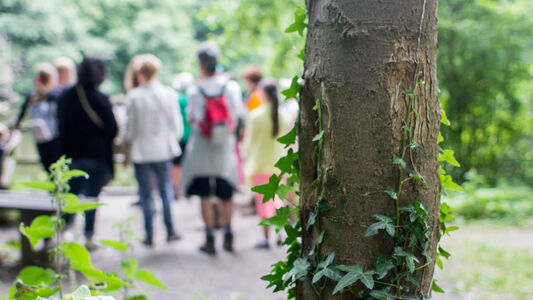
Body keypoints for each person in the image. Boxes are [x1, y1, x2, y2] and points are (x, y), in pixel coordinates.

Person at [182, 41, 245, 255]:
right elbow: (237, 116)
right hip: (224, 147)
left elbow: (192, 119)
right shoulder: (231, 87)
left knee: (205, 194)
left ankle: (209, 237)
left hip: (201, 148)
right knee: (226, 192)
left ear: (200, 65)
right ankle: (228, 233)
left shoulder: (194, 91)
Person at [57, 56, 118, 249]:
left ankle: (65, 231)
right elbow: (112, 129)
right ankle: (89, 236)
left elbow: (60, 126)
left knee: (70, 195)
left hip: (72, 155)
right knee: (92, 198)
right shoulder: (101, 98)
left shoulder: (66, 96)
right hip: (97, 156)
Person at [123, 54, 183, 247]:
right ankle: (170, 229)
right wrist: (172, 140)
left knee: (146, 194)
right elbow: (177, 126)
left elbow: (128, 129)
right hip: (162, 149)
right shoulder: (167, 94)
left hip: (141, 151)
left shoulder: (134, 96)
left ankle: (149, 233)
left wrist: (126, 152)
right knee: (165, 190)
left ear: (139, 73)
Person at [242, 79, 289, 249]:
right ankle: (280, 233)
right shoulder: (284, 114)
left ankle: (266, 237)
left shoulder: (255, 116)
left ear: (264, 94)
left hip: (260, 164)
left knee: (263, 202)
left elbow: (249, 143)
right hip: (279, 164)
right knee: (278, 200)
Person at [12, 63, 61, 172]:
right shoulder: (32, 95)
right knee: (47, 162)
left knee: (53, 161)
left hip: (53, 134)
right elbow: (23, 110)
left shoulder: (55, 95)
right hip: (40, 134)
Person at [171, 72, 194, 199]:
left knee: (176, 164)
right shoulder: (192, 98)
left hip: (179, 136)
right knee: (188, 163)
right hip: (192, 136)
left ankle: (176, 188)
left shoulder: (177, 99)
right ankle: (187, 187)